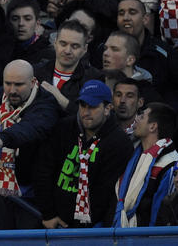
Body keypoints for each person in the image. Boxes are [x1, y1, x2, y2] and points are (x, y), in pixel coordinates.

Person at [33, 80, 134, 228]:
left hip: (91, 229)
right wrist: (48, 214)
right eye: (82, 105)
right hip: (51, 220)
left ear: (107, 108)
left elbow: (105, 193)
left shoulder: (120, 143)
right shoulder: (63, 128)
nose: (86, 112)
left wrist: (79, 228)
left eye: (92, 107)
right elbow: (43, 170)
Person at [0, 59, 61, 230]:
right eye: (8, 83)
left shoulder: (46, 104)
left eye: (19, 85)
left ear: (33, 82)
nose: (12, 90)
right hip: (1, 185)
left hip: (33, 191)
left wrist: (3, 139)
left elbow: (30, 128)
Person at [113, 102, 178, 227]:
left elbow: (161, 213)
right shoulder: (132, 154)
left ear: (152, 126)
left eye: (142, 116)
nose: (136, 119)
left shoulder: (171, 164)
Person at [34, 19, 105, 114]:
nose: (67, 51)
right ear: (55, 43)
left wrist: (60, 99)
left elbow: (92, 116)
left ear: (85, 49)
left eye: (75, 46)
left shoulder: (93, 79)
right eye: (63, 44)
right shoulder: (35, 72)